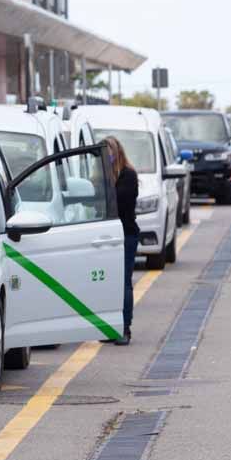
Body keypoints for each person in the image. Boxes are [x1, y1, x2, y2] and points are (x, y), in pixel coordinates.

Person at [104, 136, 138, 345]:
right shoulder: (103, 175)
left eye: (110, 151)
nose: (108, 155)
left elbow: (120, 202)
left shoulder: (128, 175)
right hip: (106, 236)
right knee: (109, 282)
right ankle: (110, 328)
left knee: (124, 282)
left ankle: (125, 328)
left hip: (126, 235)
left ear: (117, 152)